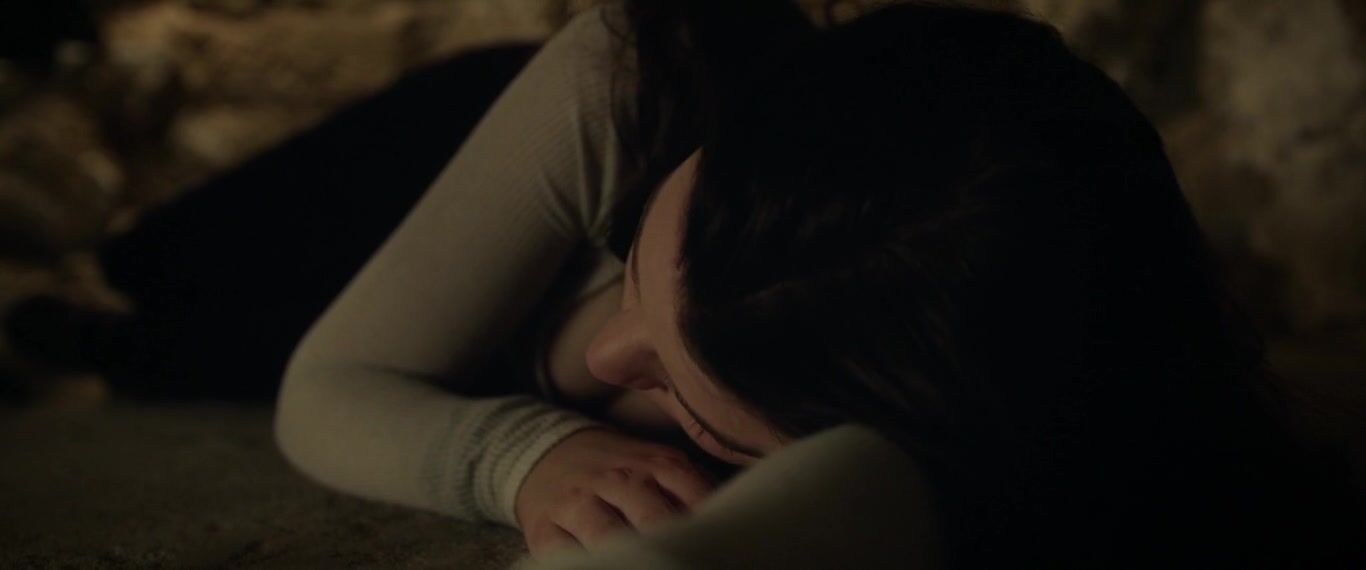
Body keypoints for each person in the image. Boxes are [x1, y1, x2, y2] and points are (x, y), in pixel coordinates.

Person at [6, 1, 1360, 567]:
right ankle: (92, 294)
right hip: (428, 179)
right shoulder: (636, 76)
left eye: (696, 408)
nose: (607, 360)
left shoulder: (938, 378)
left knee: (168, 359)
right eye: (651, 271)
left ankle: (80, 331)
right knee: (169, 274)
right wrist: (519, 453)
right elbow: (336, 387)